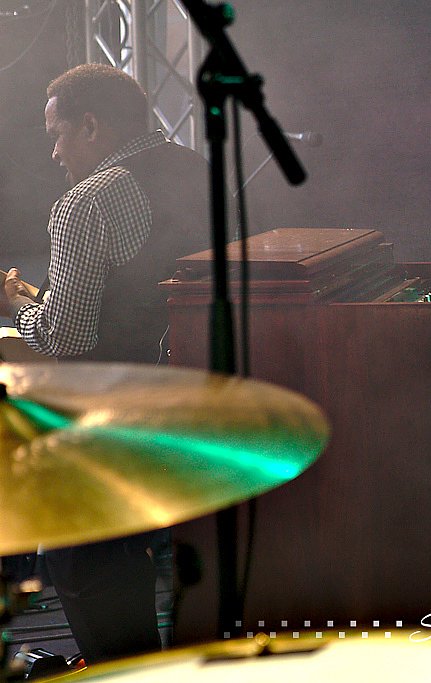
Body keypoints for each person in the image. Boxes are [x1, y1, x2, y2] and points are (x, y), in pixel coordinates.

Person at [0, 64, 208, 663]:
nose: (55, 153)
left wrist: (18, 307)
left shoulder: (86, 201)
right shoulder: (197, 169)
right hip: (195, 395)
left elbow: (66, 335)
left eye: (59, 135)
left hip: (114, 413)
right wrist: (41, 300)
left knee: (80, 554)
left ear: (91, 126)